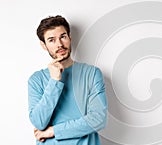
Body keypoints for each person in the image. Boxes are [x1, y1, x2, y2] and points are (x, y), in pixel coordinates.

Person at [28, 15, 107, 145]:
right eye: (52, 40)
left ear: (70, 37)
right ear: (44, 45)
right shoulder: (36, 80)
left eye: (63, 37)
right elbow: (39, 122)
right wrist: (54, 81)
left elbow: (98, 119)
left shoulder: (92, 73)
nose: (59, 44)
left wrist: (54, 131)